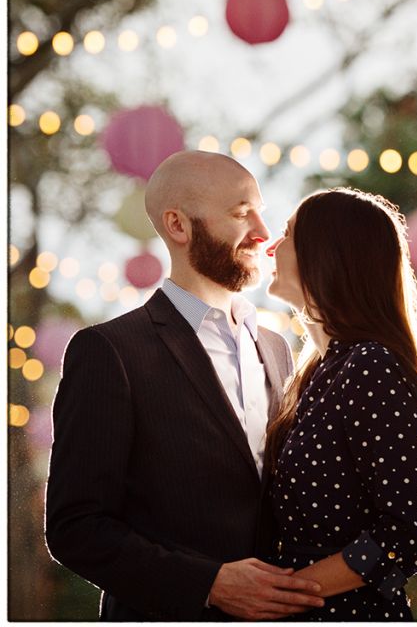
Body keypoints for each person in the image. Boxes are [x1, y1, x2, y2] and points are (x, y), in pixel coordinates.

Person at [45, 151, 325, 621]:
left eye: (261, 211)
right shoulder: (108, 351)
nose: (263, 232)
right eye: (241, 214)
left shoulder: (277, 347)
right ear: (178, 225)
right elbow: (76, 528)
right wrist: (208, 584)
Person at [263, 187, 417, 620]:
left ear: (327, 253)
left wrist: (285, 591)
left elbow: (412, 531)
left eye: (288, 234)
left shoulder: (369, 365)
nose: (272, 246)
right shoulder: (317, 372)